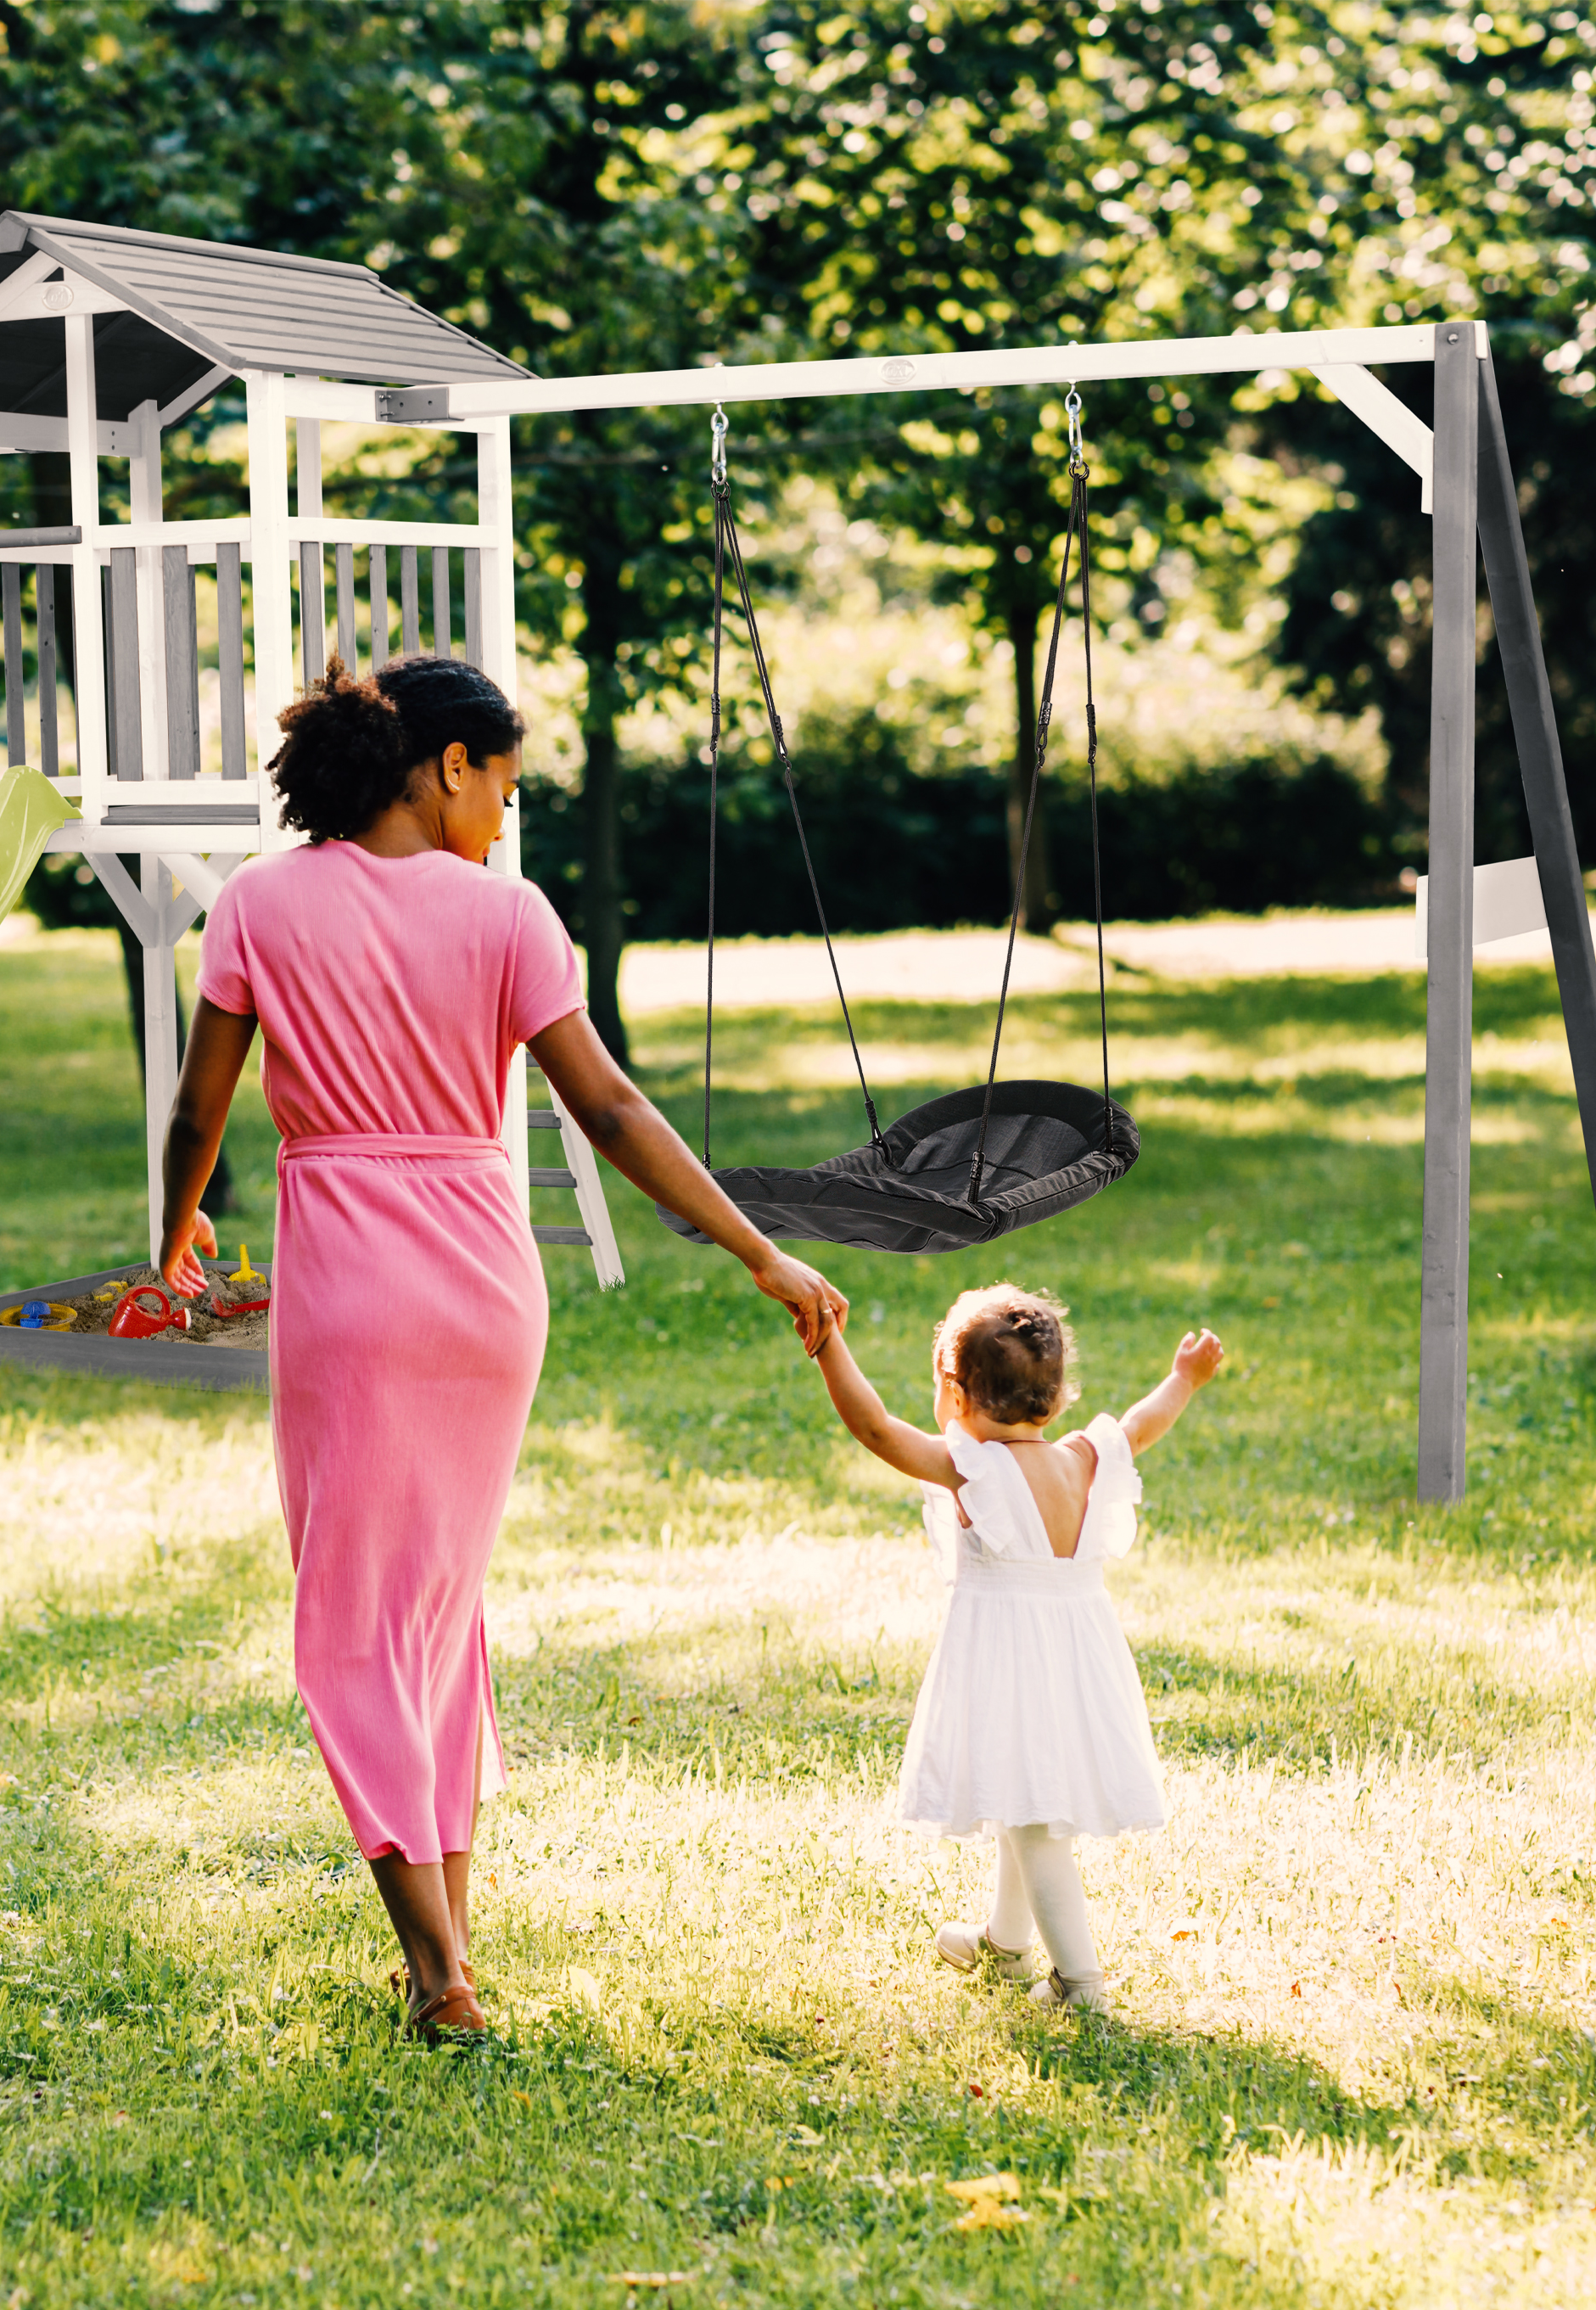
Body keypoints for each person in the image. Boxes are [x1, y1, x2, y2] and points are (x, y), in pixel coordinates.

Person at [157, 654, 848, 2043]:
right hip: (484, 1285)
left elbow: (200, 1110)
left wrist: (170, 1236)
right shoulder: (509, 917)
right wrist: (758, 1247)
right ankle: (451, 1950)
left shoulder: (258, 904)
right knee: (436, 1619)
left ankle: (438, 1975)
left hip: (349, 1286)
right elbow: (609, 1111)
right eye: (506, 787)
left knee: (354, 1629)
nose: (506, 818)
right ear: (446, 765)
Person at [808, 1285, 1224, 2013]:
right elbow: (1141, 1422)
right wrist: (1183, 1379)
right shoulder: (1085, 1458)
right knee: (1018, 1795)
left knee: (1033, 1823)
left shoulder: (974, 1470)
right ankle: (1004, 1945)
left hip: (1010, 1663)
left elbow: (874, 1428)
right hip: (1077, 1660)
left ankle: (1079, 1983)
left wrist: (827, 1343)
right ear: (1057, 1398)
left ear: (955, 1393)